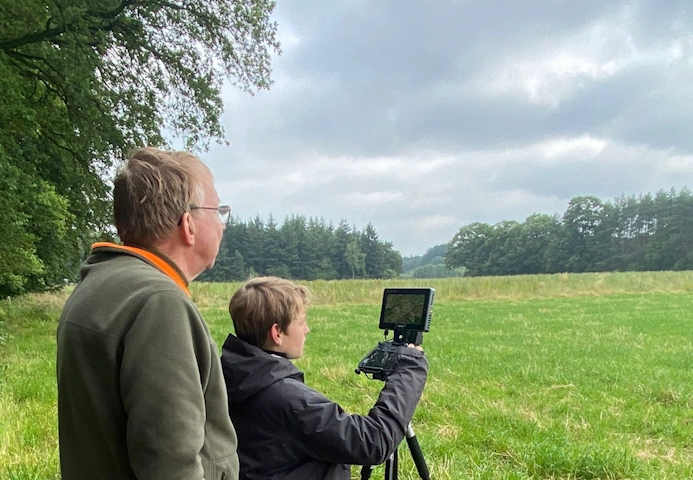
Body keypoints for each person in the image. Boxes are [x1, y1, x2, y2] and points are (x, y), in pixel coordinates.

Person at [57, 147, 239, 480]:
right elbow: (171, 464)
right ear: (189, 225)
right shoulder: (159, 303)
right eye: (218, 210)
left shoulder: (99, 284)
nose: (222, 224)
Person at [221, 276, 428, 480]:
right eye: (301, 321)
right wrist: (409, 368)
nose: (307, 329)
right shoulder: (286, 398)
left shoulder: (226, 377)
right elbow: (371, 442)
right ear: (277, 333)